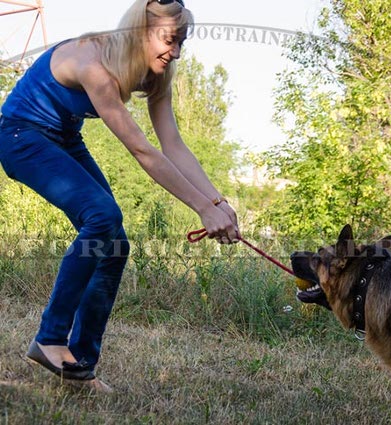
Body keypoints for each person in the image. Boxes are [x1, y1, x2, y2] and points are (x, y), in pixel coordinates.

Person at [0, 0, 239, 392]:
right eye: (169, 39)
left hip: (62, 138)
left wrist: (218, 204)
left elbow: (173, 145)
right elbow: (144, 151)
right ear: (139, 31)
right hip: (20, 136)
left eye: (182, 42)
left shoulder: (158, 73)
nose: (175, 51)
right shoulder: (93, 63)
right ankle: (50, 337)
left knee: (114, 245)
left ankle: (80, 368)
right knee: (102, 215)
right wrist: (200, 208)